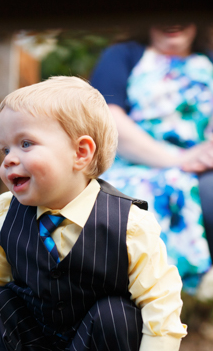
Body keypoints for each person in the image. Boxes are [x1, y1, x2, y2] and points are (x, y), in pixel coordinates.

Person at [0, 77, 186, 351]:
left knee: (116, 314)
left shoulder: (129, 224)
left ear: (81, 152)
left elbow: (160, 303)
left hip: (96, 340)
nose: (8, 159)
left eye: (26, 144)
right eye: (6, 148)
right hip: (31, 337)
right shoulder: (6, 211)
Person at [90, 24, 213, 292]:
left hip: (200, 168)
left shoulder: (208, 61)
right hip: (133, 163)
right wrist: (177, 159)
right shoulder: (122, 55)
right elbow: (110, 120)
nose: (172, 21)